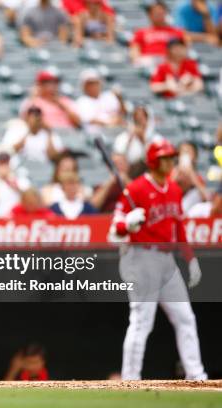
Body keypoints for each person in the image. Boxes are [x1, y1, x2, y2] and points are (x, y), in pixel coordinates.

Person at [109, 138, 207, 381]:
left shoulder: (173, 189)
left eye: (170, 157)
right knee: (142, 322)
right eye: (164, 157)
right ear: (153, 161)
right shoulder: (136, 189)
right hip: (140, 258)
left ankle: (196, 375)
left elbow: (179, 228)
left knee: (186, 318)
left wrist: (190, 259)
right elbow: (113, 233)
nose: (169, 161)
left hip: (166, 260)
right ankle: (130, 379)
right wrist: (127, 224)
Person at [130, 0, 188, 67]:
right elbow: (134, 50)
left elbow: (184, 50)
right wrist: (136, 60)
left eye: (161, 13)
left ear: (165, 13)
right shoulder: (141, 32)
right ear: (149, 15)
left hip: (170, 62)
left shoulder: (177, 32)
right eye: (156, 13)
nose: (159, 16)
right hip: (148, 62)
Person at [75, 69, 125, 134]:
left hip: (115, 132)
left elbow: (121, 114)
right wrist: (109, 123)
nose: (93, 86)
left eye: (95, 83)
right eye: (90, 84)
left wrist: (120, 99)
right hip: (95, 136)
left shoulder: (109, 96)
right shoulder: (81, 101)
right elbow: (91, 120)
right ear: (84, 86)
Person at [171, 140, 209, 213]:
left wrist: (191, 173)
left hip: (191, 212)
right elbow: (164, 191)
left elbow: (206, 198)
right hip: (173, 206)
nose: (185, 154)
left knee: (196, 193)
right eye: (183, 152)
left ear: (195, 156)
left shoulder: (197, 176)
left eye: (188, 152)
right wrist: (177, 173)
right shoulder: (172, 173)